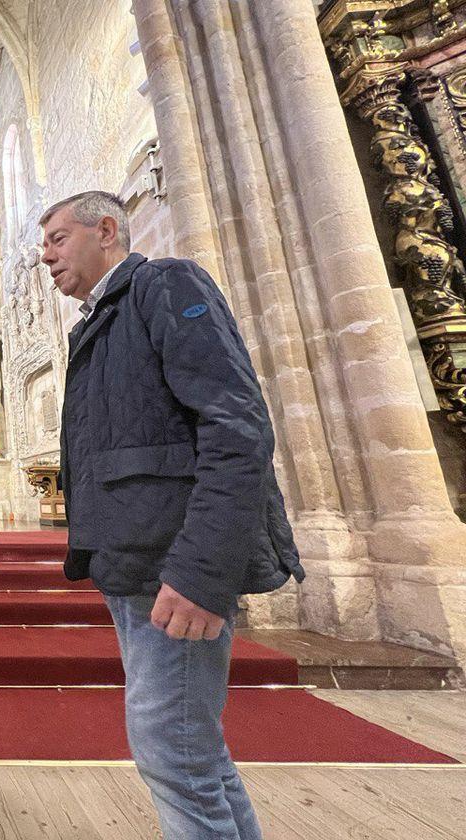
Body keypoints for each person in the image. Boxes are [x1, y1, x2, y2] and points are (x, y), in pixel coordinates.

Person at [41, 191, 303, 840]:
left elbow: (236, 426)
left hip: (173, 569)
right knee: (193, 753)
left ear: (107, 229)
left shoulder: (164, 286)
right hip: (137, 566)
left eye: (56, 239)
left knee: (171, 751)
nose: (43, 256)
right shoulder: (102, 319)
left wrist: (200, 571)